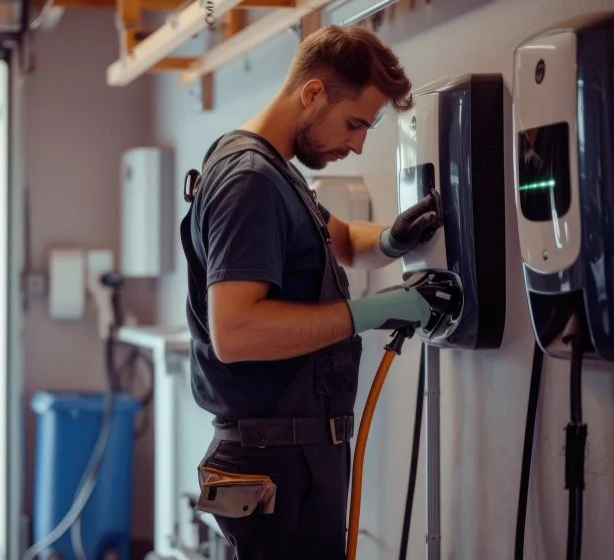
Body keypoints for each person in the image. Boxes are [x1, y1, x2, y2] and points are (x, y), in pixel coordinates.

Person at [180, 24, 442, 558]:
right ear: (314, 93)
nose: (358, 143)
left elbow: (341, 239)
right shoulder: (248, 180)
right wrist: (377, 310)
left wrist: (392, 239)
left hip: (291, 458)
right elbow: (236, 331)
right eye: (354, 124)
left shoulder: (275, 170)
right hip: (274, 467)